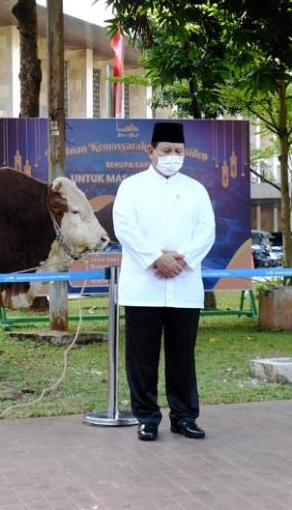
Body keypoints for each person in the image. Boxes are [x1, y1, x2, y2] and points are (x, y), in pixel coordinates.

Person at [112, 121, 216, 442]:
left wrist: (181, 258)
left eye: (178, 151)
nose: (173, 156)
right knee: (142, 358)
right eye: (167, 150)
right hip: (144, 286)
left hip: (184, 286)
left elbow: (206, 231)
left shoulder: (196, 190)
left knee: (182, 356)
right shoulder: (131, 187)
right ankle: (146, 417)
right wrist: (156, 258)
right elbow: (124, 227)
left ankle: (184, 417)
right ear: (151, 151)